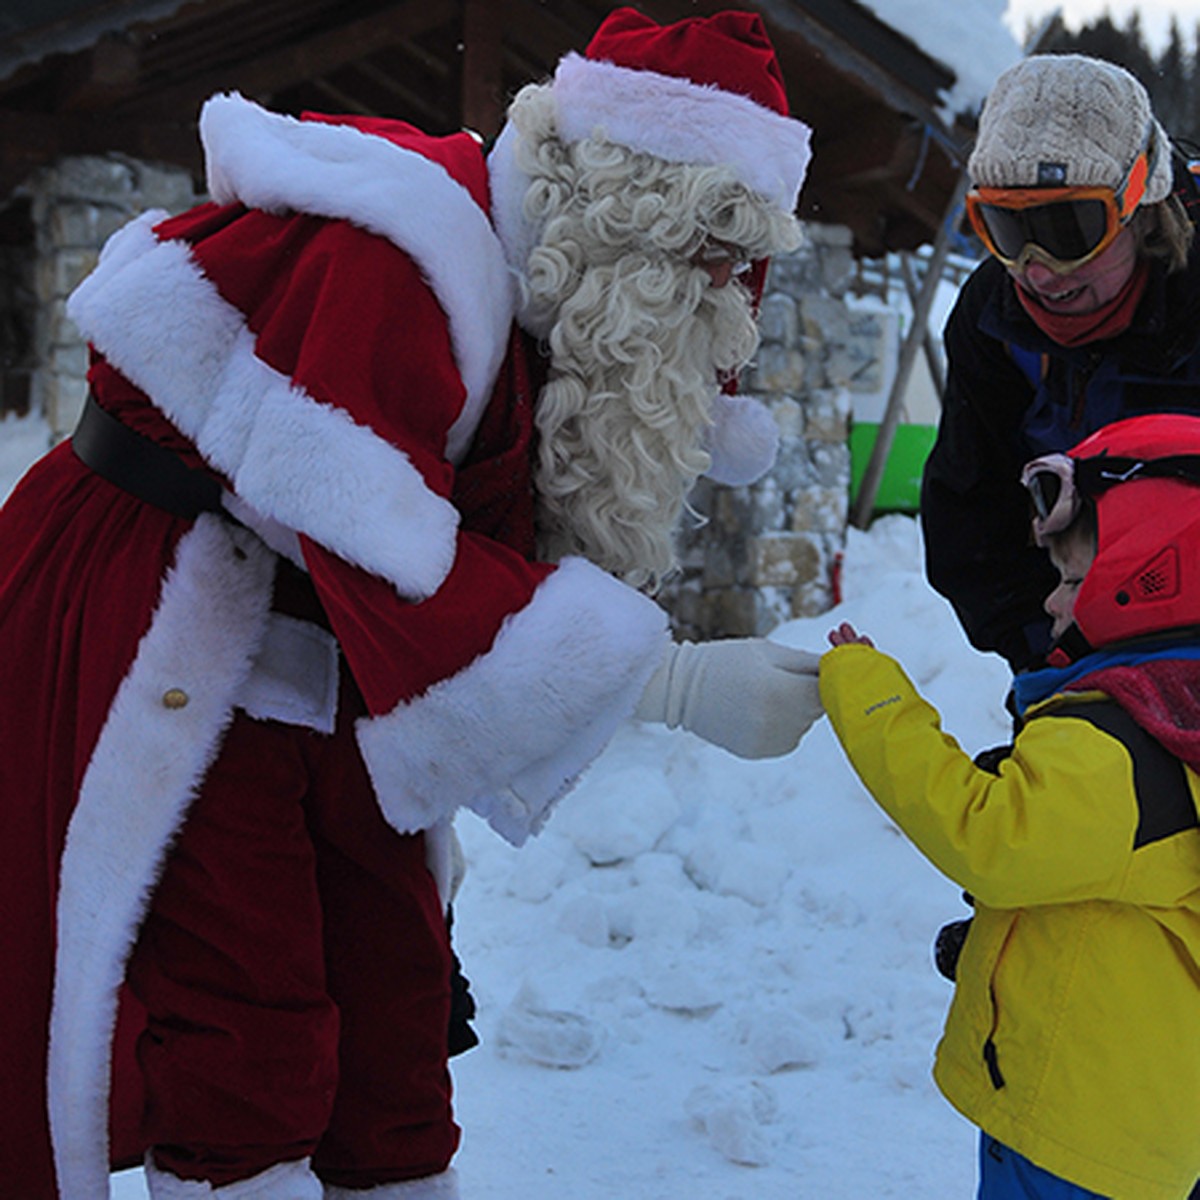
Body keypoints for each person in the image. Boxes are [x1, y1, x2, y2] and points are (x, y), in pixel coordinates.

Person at [0, 9, 823, 1199]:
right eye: (709, 268)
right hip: (162, 610)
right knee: (252, 1028)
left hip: (305, 636)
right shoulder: (405, 258)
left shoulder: (537, 299)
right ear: (638, 210)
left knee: (396, 1007)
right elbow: (386, 555)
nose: (719, 310)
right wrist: (675, 685)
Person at [822, 412, 1200, 1199]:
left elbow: (988, 840)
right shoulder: (1177, 714)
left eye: (1070, 580)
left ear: (1153, 572)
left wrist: (866, 691)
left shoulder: (1118, 743)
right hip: (1147, 1114)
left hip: (1076, 1134)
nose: (1054, 607)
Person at [922, 52, 1200, 674]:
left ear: (1140, 205)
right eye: (1006, 230)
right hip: (1070, 644)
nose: (1039, 270)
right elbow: (970, 515)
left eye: (1070, 227)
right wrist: (1048, 654)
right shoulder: (994, 319)